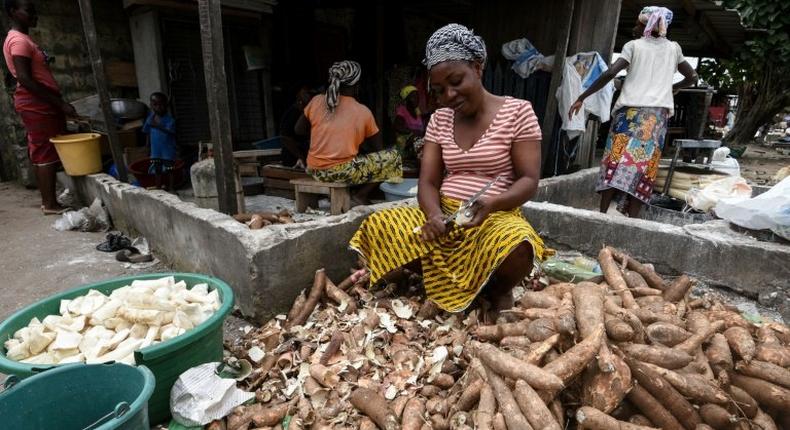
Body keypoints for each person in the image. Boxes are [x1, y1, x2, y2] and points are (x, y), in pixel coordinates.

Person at [349, 24, 547, 314]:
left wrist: (491, 204)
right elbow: (428, 182)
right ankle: (450, 282)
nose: (449, 95)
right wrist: (434, 216)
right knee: (379, 224)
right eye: (440, 90)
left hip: (491, 218)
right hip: (444, 217)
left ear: (477, 68)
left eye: (456, 81)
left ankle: (495, 289)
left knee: (518, 245)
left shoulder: (518, 111)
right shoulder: (440, 119)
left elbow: (529, 179)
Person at [569, 6, 698, 217]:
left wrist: (582, 97)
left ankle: (602, 215)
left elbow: (611, 72)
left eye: (637, 24)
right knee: (644, 168)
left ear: (644, 25)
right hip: (656, 119)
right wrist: (674, 87)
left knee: (615, 161)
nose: (634, 28)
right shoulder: (674, 49)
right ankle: (632, 219)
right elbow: (692, 77)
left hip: (629, 115)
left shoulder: (633, 46)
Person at [3, 0, 76, 214]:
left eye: (35, 11)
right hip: (36, 102)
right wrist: (59, 103)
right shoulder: (18, 41)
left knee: (41, 148)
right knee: (45, 150)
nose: (34, 15)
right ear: (13, 12)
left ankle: (48, 200)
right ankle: (50, 204)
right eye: (29, 11)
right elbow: (25, 78)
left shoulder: (22, 39)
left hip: (37, 101)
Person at [295, 60, 401, 204]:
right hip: (340, 173)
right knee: (393, 157)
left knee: (353, 160)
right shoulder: (363, 112)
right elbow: (379, 150)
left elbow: (298, 130)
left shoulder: (317, 100)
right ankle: (360, 195)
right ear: (357, 85)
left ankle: (342, 193)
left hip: (314, 170)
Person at [142, 92, 177, 190]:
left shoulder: (169, 120)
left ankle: (171, 188)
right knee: (157, 169)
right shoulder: (150, 118)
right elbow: (147, 132)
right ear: (151, 105)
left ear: (166, 105)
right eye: (155, 104)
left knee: (170, 169)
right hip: (155, 150)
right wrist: (147, 146)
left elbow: (172, 132)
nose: (158, 107)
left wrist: (157, 126)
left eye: (161, 104)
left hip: (167, 150)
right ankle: (158, 187)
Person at [279, 86, 313, 168]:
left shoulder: (310, 111)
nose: (309, 96)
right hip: (293, 160)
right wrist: (300, 156)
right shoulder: (293, 114)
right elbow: (285, 138)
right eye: (306, 93)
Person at [392, 84, 426, 164]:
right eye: (413, 97)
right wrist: (413, 132)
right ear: (406, 99)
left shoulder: (417, 112)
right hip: (404, 148)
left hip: (417, 147)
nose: (416, 100)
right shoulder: (402, 111)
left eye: (417, 97)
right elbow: (397, 126)